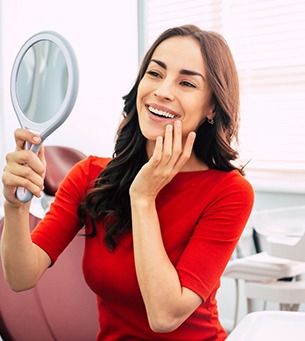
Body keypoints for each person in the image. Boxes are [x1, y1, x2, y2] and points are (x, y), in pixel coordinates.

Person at [1, 24, 254, 340]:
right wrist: (14, 207)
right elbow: (20, 277)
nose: (163, 91)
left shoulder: (229, 192)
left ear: (213, 108)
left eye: (186, 82)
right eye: (155, 74)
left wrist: (144, 198)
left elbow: (164, 315)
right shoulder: (89, 175)